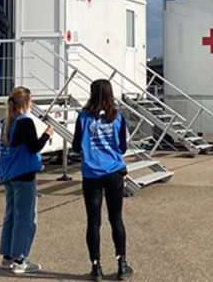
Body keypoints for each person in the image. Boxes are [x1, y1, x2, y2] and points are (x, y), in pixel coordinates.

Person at [72, 79, 134, 281]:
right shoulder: (117, 117)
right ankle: (122, 263)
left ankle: (96, 266)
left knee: (93, 221)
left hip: (92, 173)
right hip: (114, 172)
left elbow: (76, 146)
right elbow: (122, 147)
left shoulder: (83, 117)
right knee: (116, 217)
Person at [0, 86, 54, 274]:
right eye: (30, 100)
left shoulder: (7, 121)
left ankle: (7, 256)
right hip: (23, 174)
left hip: (9, 173)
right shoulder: (25, 122)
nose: (31, 103)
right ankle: (20, 259)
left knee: (11, 214)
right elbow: (34, 146)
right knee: (26, 217)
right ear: (25, 104)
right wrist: (47, 134)